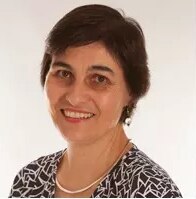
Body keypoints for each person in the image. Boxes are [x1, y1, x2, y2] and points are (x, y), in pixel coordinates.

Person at [9, 4, 182, 198]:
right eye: (64, 73)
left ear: (131, 92)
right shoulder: (28, 181)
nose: (75, 97)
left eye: (99, 79)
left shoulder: (151, 191)